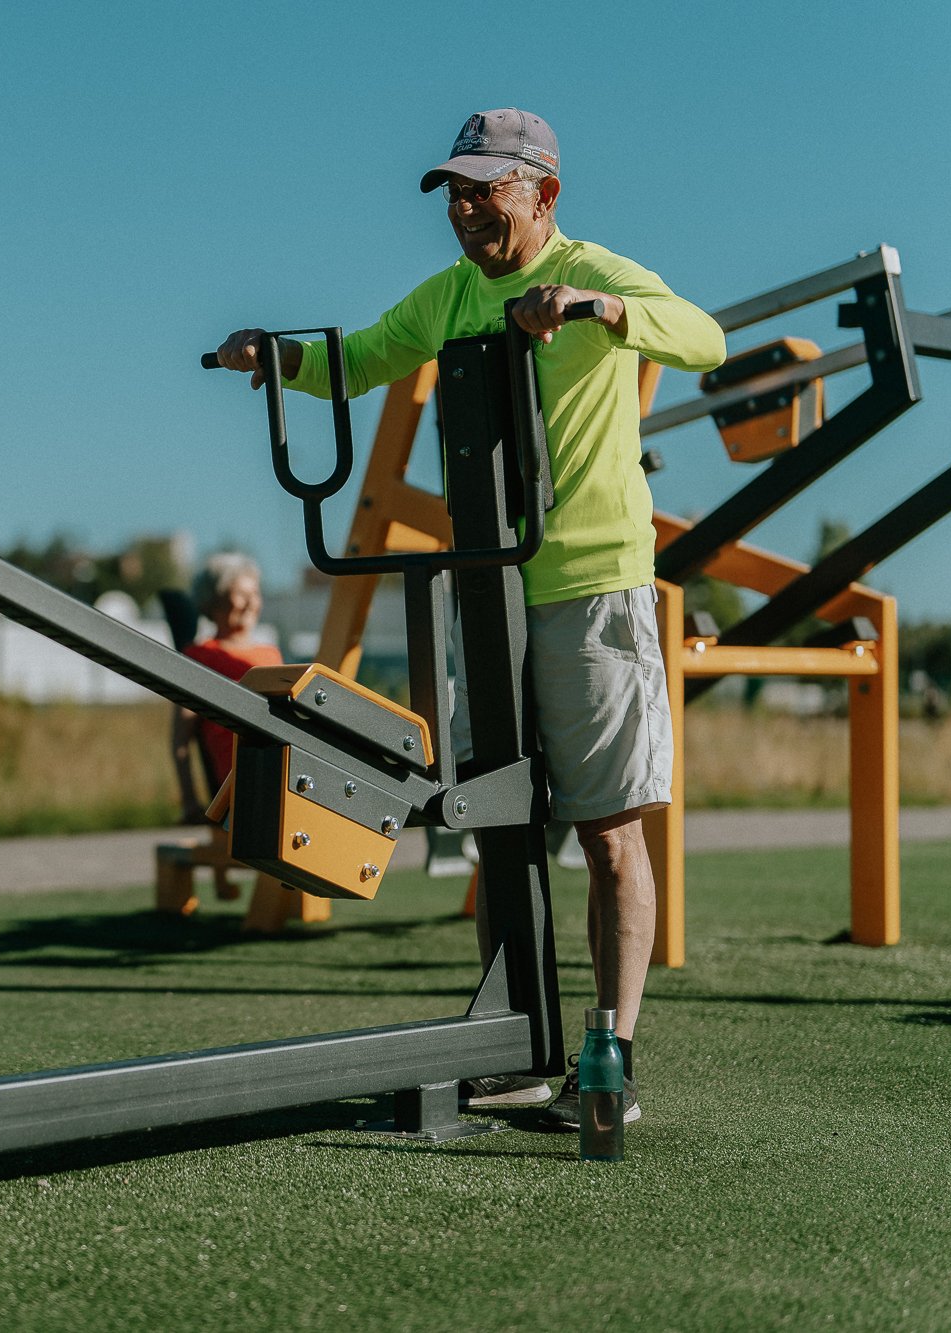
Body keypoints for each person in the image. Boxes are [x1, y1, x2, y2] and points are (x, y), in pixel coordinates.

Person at [212, 108, 725, 1129]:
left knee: (608, 829)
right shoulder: (449, 297)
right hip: (487, 588)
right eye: (451, 192)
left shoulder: (594, 271)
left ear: (541, 194)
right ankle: (514, 1041)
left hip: (590, 582)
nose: (460, 209)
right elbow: (356, 358)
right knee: (499, 824)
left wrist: (594, 310)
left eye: (481, 190)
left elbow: (704, 339)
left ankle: (608, 1054)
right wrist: (274, 357)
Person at [170, 553, 280, 824]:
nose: (252, 603)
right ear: (214, 600)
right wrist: (190, 801)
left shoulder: (270, 654)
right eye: (241, 594)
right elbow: (180, 739)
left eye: (255, 593)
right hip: (242, 781)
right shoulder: (200, 656)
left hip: (282, 769)